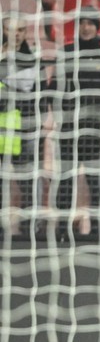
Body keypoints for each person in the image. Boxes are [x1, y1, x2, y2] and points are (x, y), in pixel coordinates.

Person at [49, 6, 100, 242]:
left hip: (97, 130)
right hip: (69, 128)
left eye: (91, 23)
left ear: (97, 27)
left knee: (97, 183)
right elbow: (53, 87)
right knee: (65, 182)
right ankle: (62, 231)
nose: (86, 27)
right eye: (82, 22)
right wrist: (62, 114)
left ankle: (98, 232)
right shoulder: (66, 52)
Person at [0, 15, 43, 239]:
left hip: (25, 126)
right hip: (0, 128)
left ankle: (31, 226)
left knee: (28, 179)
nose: (17, 35)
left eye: (21, 30)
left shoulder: (32, 57)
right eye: (12, 30)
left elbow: (30, 88)